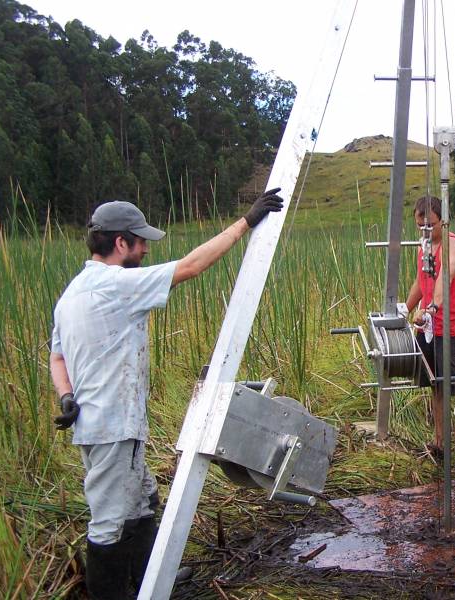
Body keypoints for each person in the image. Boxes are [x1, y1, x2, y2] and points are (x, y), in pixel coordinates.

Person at [49, 190, 284, 599]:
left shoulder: (72, 294)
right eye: (140, 242)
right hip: (111, 429)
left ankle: (151, 579)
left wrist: (66, 396)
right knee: (109, 522)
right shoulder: (116, 284)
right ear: (120, 243)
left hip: (105, 423)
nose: (144, 249)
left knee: (141, 502)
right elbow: (192, 266)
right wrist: (246, 222)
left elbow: (57, 358)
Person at [405, 195, 455, 472]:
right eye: (419, 226)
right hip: (428, 329)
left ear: (442, 221)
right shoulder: (424, 245)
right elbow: (421, 281)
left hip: (453, 330)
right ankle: (439, 441)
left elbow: (444, 277)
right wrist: (405, 309)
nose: (425, 230)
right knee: (436, 384)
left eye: (431, 225)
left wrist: (432, 306)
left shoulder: (451, 243)